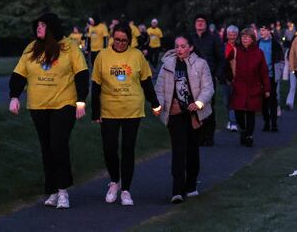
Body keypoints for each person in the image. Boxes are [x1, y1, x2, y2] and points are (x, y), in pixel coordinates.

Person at [8, 13, 89, 209]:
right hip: (38, 106)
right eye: (37, 25)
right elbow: (19, 74)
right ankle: (52, 190)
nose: (39, 28)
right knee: (46, 148)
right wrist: (14, 96)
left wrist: (81, 101)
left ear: (52, 27)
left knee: (58, 144)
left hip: (63, 104)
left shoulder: (69, 47)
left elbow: (81, 74)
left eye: (43, 25)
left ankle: (63, 191)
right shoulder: (31, 48)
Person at [91, 23, 160, 206]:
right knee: (109, 148)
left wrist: (155, 103)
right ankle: (114, 181)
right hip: (109, 109)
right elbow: (96, 85)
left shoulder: (137, 56)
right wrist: (95, 111)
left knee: (128, 149)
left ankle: (126, 190)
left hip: (132, 109)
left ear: (129, 40)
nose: (120, 43)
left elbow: (146, 82)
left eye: (124, 40)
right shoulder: (102, 56)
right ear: (113, 37)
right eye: (117, 39)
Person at [155, 36, 214, 203]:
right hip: (174, 112)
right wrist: (159, 106)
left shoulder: (201, 64)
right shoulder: (168, 65)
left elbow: (208, 87)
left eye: (183, 46)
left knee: (192, 150)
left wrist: (199, 103)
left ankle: (191, 185)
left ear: (191, 47)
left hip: (194, 113)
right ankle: (177, 190)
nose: (179, 49)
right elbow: (160, 88)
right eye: (177, 46)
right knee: (178, 149)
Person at [229, 28, 270, 146]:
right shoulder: (236, 51)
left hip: (253, 87)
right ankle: (243, 130)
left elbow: (264, 72)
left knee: (251, 112)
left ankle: (249, 135)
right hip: (239, 86)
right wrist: (228, 78)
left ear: (253, 39)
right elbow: (228, 65)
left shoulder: (259, 53)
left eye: (247, 37)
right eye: (243, 37)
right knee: (238, 112)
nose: (244, 39)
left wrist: (267, 89)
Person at [189, 14, 224, 146]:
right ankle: (198, 136)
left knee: (208, 107)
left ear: (206, 23)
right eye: (197, 21)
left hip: (208, 78)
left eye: (202, 21)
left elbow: (221, 58)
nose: (200, 23)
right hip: (192, 78)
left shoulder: (214, 38)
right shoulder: (190, 38)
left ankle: (209, 137)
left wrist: (217, 74)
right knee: (194, 107)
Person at [258, 25, 283, 132]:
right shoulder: (257, 44)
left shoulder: (275, 45)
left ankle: (274, 123)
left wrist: (279, 73)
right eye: (260, 30)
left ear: (269, 31)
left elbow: (280, 60)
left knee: (272, 99)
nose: (261, 32)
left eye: (263, 30)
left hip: (272, 76)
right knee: (263, 100)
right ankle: (266, 121)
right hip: (260, 77)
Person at [221, 25, 240, 132]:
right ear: (227, 35)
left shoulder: (240, 47)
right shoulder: (223, 47)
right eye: (230, 35)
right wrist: (224, 78)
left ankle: (233, 122)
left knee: (234, 100)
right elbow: (222, 64)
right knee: (226, 101)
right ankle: (230, 119)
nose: (232, 37)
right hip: (225, 79)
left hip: (237, 79)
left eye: (234, 35)